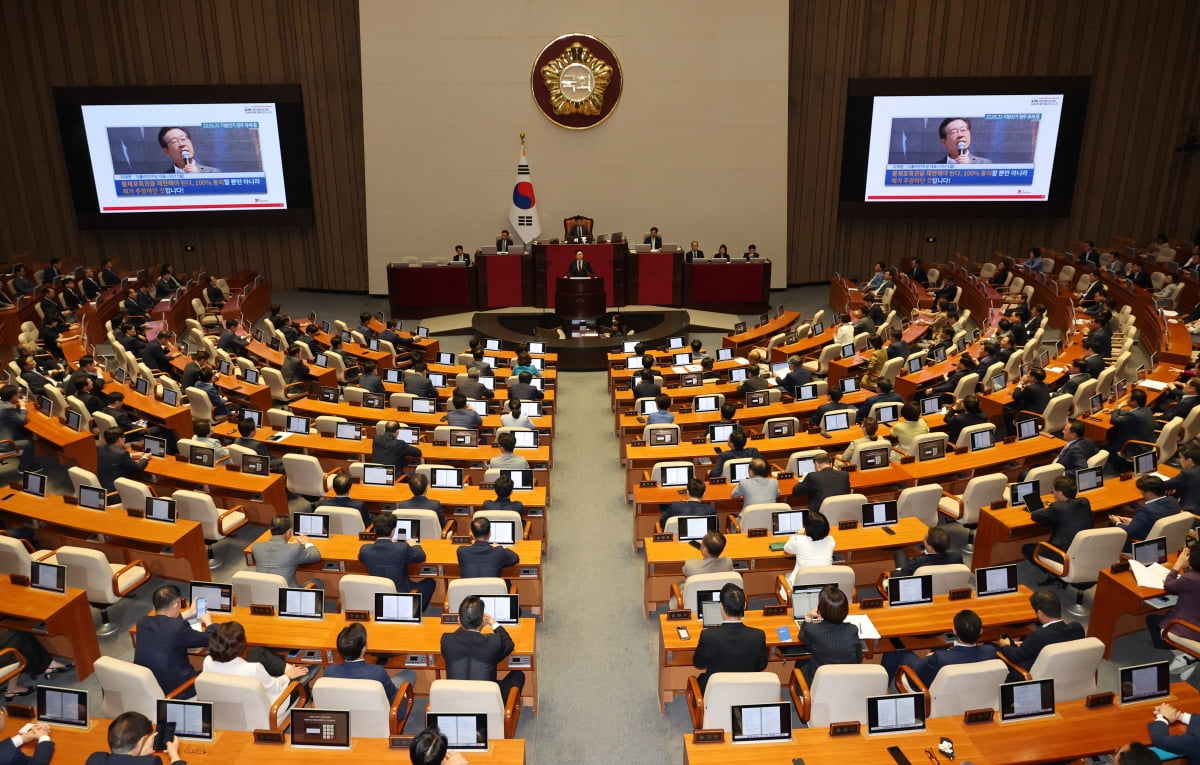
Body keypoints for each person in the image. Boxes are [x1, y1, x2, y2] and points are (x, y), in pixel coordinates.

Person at [200, 621, 309, 706]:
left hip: (228, 706)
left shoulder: (207, 662)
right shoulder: (252, 669)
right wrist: (288, 676)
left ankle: (287, 667)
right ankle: (306, 693)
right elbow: (275, 687)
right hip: (271, 707)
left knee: (256, 651)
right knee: (298, 681)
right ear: (241, 645)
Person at [133, 585, 213, 698]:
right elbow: (209, 639)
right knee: (214, 671)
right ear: (176, 604)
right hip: (179, 689)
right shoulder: (178, 627)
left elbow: (165, 624)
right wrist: (208, 622)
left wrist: (190, 612)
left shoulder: (142, 622)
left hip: (150, 684)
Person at [881, 609, 998, 686]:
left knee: (895, 651)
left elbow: (919, 671)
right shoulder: (990, 651)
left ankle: (882, 689)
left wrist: (928, 658)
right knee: (938, 644)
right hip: (966, 686)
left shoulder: (940, 658)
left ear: (954, 631)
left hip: (927, 686)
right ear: (981, 631)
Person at [442, 594, 526, 701]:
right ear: (482, 620)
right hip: (487, 701)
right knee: (518, 675)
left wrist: (466, 624)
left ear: (459, 620)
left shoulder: (446, 641)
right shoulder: (493, 642)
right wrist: (493, 623)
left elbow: (458, 637)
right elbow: (509, 644)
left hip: (457, 700)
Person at [691, 583, 768, 692]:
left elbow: (699, 663)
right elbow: (761, 666)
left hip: (716, 692)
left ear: (721, 606)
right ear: (744, 606)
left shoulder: (708, 635)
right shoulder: (758, 636)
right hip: (747, 691)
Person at [997, 589, 1085, 680]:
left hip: (1037, 676)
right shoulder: (1077, 628)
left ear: (1039, 613)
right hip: (1068, 672)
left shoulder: (1038, 636)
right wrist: (1027, 645)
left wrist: (1005, 645)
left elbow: (1015, 657)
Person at [1146, 539, 1200, 679]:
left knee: (1155, 624)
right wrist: (1188, 568)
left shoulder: (1190, 579)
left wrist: (1177, 566)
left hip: (1189, 627)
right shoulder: (1193, 578)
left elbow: (1169, 586)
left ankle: (1188, 655)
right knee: (1158, 618)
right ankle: (1188, 657)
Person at [360, 512, 436, 611]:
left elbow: (363, 558)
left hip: (378, 596)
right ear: (393, 531)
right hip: (402, 594)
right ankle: (413, 609)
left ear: (374, 530)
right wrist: (414, 545)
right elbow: (421, 557)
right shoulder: (402, 548)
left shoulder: (365, 550)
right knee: (430, 582)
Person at [324, 623, 407, 710]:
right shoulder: (377, 673)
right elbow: (393, 697)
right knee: (409, 674)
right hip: (377, 719)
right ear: (364, 648)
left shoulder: (329, 672)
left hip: (345, 719)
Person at [1023, 476, 1093, 578]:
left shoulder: (1058, 508)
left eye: (1054, 491)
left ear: (1060, 493)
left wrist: (1049, 507)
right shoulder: (1084, 502)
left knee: (1027, 549)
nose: (1053, 493)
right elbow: (1067, 508)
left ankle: (1053, 574)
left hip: (1064, 553)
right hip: (1083, 551)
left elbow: (1035, 516)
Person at [797, 585, 863, 682]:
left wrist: (807, 617)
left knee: (801, 661)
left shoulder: (812, 629)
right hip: (846, 682)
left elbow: (802, 636)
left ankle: (801, 693)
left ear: (820, 610)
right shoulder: (852, 630)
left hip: (818, 683)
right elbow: (858, 658)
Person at [1110, 476, 1184, 552]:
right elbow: (1157, 519)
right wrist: (1133, 521)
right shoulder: (1173, 501)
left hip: (1147, 547)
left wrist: (1117, 522)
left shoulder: (1146, 510)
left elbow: (1130, 532)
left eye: (1142, 491)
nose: (1141, 494)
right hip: (1171, 541)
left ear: (1149, 493)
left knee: (1112, 530)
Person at [251, 514, 322, 589]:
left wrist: (291, 545)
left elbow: (277, 553)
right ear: (288, 532)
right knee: (318, 582)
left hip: (264, 593)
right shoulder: (295, 549)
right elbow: (316, 555)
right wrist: (307, 543)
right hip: (287, 595)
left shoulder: (256, 547)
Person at [85, 711, 183, 765]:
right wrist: (174, 754)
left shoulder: (95, 759)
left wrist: (141, 753)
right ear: (141, 741)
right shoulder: (151, 762)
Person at [783, 511, 834, 581]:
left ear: (806, 528)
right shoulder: (831, 541)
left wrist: (797, 535)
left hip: (801, 586)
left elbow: (786, 548)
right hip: (824, 587)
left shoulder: (798, 541)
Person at [893, 526, 962, 577]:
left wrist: (898, 570)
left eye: (925, 539)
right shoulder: (957, 557)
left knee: (900, 554)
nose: (923, 540)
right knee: (900, 554)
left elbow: (898, 576)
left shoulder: (917, 562)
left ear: (930, 547)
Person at [0, 385, 36, 471]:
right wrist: (23, 407)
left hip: (4, 432)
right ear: (13, 396)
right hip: (3, 444)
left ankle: (24, 457)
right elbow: (22, 420)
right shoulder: (7, 408)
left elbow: (10, 415)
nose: (19, 395)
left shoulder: (3, 404)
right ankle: (25, 468)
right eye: (17, 394)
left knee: (23, 434)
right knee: (28, 444)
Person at [1164, 445, 1200, 514]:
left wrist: (1173, 485)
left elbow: (1164, 485)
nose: (1179, 460)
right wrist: (1176, 484)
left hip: (1191, 515)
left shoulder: (1187, 474)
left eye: (1181, 457)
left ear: (1189, 460)